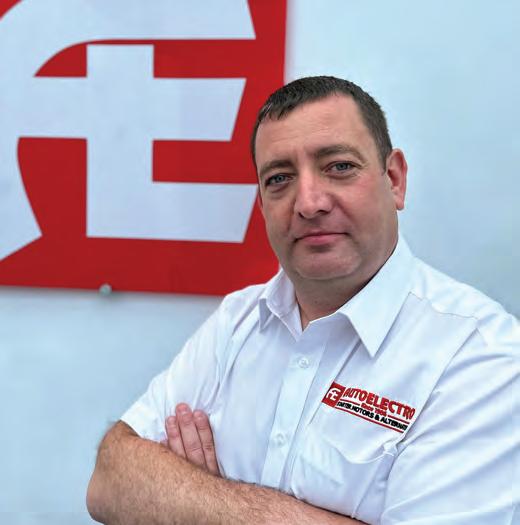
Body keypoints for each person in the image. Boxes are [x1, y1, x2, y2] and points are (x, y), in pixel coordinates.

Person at [87, 76, 519, 525]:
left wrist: (189, 500)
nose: (309, 203)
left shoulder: (481, 358)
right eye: (279, 178)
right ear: (262, 205)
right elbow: (110, 479)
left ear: (394, 180)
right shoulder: (238, 320)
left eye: (339, 167)